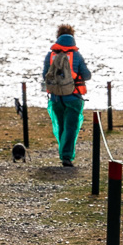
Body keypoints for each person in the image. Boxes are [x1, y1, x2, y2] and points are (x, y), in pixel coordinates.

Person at [42, 24, 92, 167]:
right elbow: (87, 75)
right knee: (71, 127)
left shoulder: (50, 55)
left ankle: (63, 153)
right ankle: (67, 157)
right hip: (73, 97)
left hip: (56, 98)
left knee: (61, 126)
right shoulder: (76, 55)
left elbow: (44, 75)